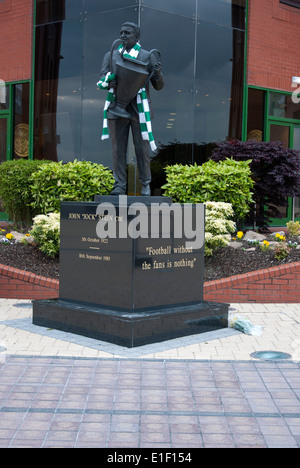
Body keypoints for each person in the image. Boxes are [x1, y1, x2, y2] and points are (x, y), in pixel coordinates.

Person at [98, 22, 164, 196]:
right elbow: (102, 79)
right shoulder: (111, 55)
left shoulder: (146, 56)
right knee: (117, 149)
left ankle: (145, 184)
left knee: (142, 149)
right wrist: (108, 82)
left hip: (138, 108)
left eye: (127, 33)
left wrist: (157, 72)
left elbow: (158, 85)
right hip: (116, 106)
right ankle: (119, 185)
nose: (123, 35)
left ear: (137, 37)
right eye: (121, 32)